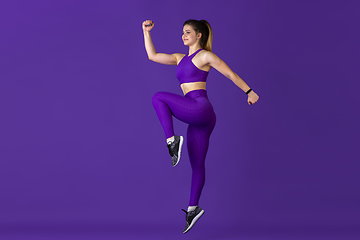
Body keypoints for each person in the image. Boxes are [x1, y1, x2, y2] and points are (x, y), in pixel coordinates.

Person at [142, 19, 259, 233]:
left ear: (199, 36)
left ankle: (172, 140)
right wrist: (146, 32)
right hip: (201, 118)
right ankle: (193, 208)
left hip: (200, 108)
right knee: (196, 165)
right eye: (183, 33)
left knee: (158, 97)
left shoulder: (204, 56)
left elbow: (229, 73)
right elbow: (153, 56)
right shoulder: (180, 58)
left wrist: (249, 91)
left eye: (188, 32)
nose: (183, 36)